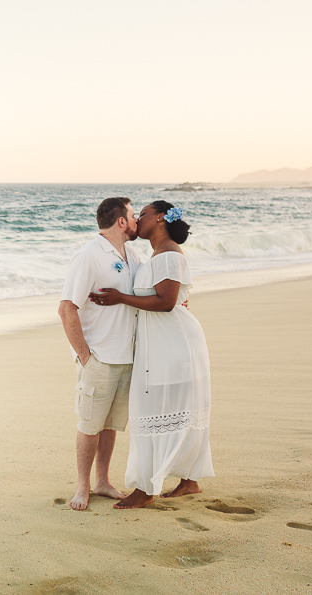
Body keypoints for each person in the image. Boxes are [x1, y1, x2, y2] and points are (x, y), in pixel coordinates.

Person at [91, 200, 214, 509]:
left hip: (175, 344)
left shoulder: (169, 254)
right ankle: (190, 481)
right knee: (173, 408)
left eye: (142, 214)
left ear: (160, 218)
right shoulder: (157, 255)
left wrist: (121, 298)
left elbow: (166, 302)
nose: (137, 220)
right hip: (164, 342)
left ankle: (146, 489)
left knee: (156, 408)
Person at [58, 197, 141, 511]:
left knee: (110, 424)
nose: (136, 221)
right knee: (90, 424)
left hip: (126, 356)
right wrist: (84, 355)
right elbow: (67, 308)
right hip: (99, 357)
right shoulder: (89, 256)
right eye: (133, 215)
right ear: (121, 221)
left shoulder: (131, 255)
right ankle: (82, 487)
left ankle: (102, 481)